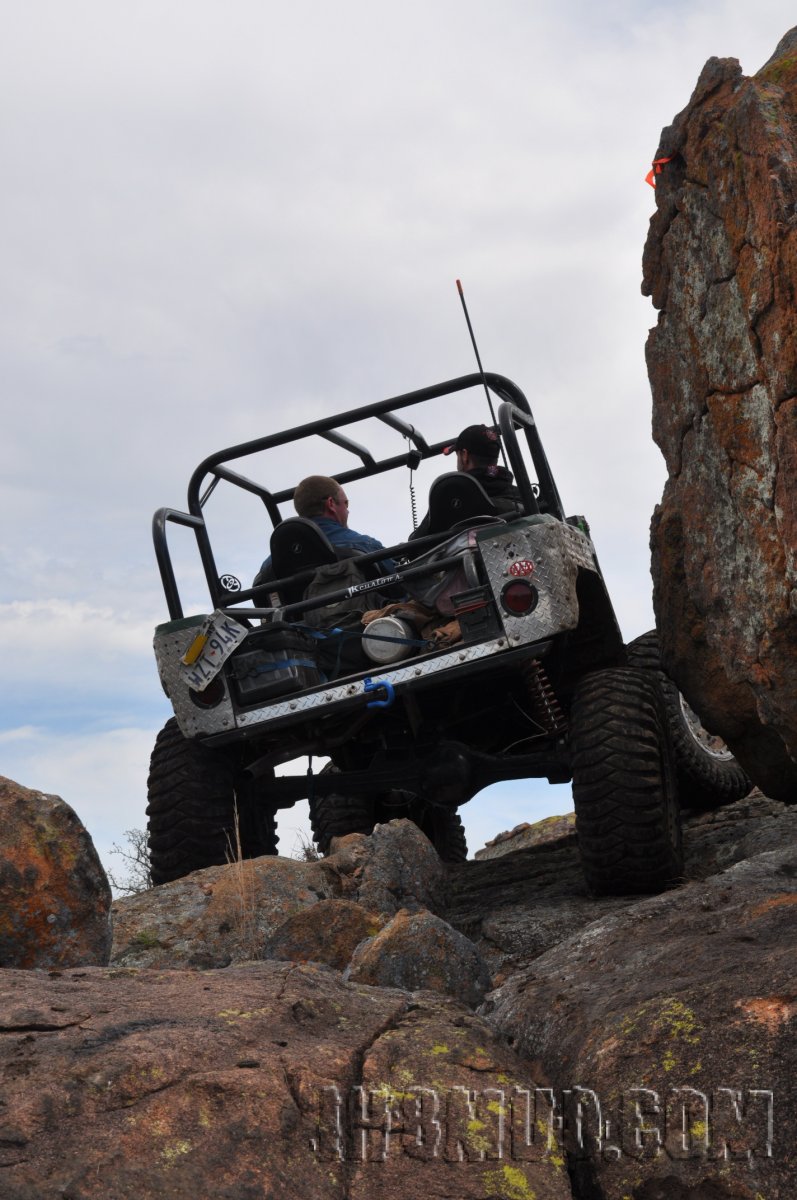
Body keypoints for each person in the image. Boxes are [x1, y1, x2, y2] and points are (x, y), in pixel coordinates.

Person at [256, 475, 393, 581]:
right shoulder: (364, 545)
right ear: (331, 504)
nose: (347, 510)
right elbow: (399, 587)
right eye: (346, 503)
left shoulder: (269, 567)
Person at [409, 424, 522, 541]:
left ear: (464, 455)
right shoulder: (521, 495)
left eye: (457, 455)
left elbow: (415, 546)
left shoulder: (449, 496)